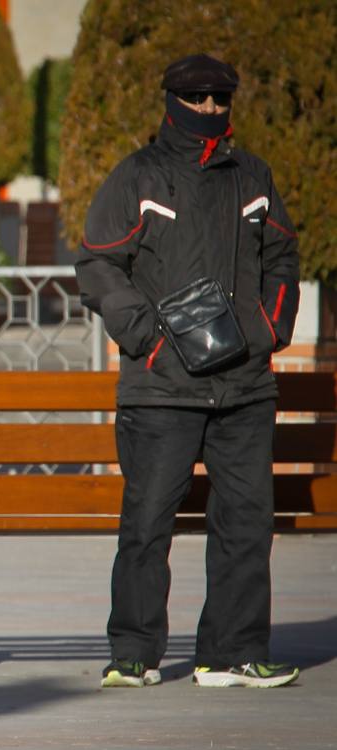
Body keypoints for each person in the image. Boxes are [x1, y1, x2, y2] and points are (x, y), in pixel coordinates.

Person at [77, 54, 301, 689]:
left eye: (219, 99)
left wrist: (269, 328)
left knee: (247, 521)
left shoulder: (253, 176)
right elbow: (96, 264)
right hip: (161, 390)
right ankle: (134, 654)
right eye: (196, 97)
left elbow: (282, 254)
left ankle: (231, 653)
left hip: (246, 387)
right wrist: (148, 340)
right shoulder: (138, 176)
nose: (208, 109)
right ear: (172, 99)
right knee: (147, 523)